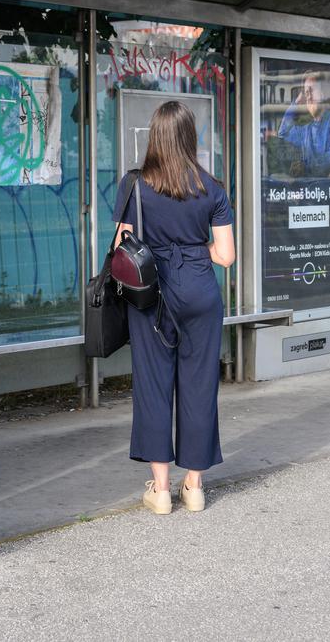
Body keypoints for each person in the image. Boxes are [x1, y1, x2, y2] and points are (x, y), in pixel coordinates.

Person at [113, 100, 236, 514]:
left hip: (152, 297)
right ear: (189, 139)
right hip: (201, 294)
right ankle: (195, 487)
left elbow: (121, 250)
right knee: (200, 386)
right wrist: (193, 249)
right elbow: (226, 256)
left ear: (155, 136)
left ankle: (161, 490)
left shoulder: (134, 186)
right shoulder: (212, 188)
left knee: (154, 387)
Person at [275, 72, 330, 176]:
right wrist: (296, 104)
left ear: (323, 93)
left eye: (312, 90)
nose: (308, 97)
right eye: (306, 93)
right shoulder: (307, 129)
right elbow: (282, 133)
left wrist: (306, 166)